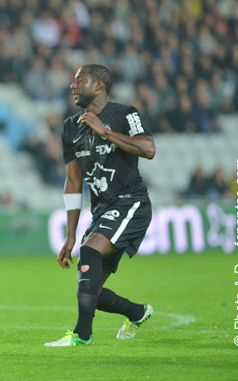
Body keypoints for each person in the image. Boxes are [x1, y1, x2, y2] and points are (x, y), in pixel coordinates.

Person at [45, 64, 155, 347]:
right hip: (102, 210)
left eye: (79, 80)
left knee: (90, 251)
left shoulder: (125, 114)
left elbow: (148, 149)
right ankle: (137, 312)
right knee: (89, 287)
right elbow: (73, 181)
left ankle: (82, 335)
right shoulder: (70, 127)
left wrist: (105, 132)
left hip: (131, 202)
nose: (72, 85)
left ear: (98, 85)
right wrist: (70, 235)